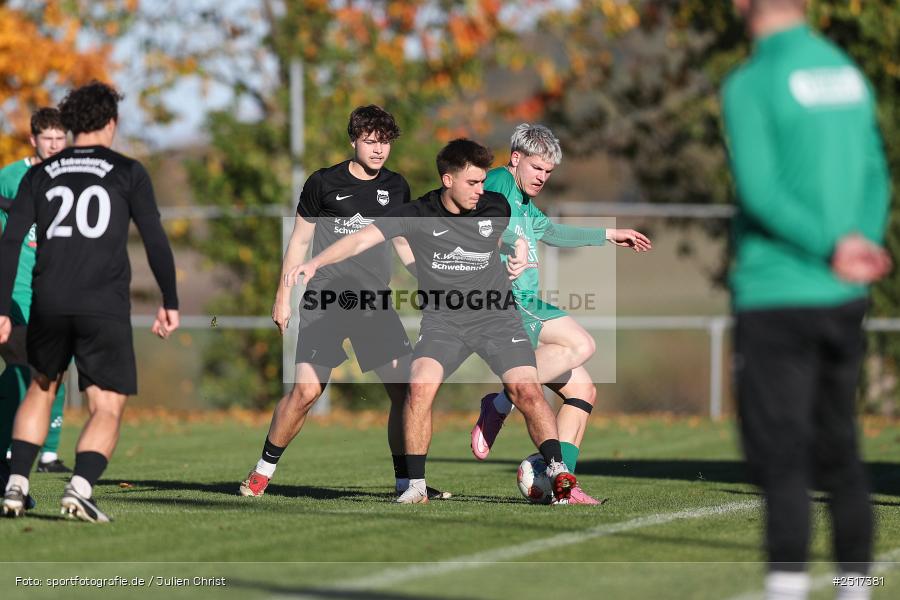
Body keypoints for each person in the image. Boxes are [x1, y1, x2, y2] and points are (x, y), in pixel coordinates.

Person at [286, 139, 578, 504]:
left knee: (527, 390)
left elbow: (502, 237)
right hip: (445, 322)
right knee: (419, 386)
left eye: (483, 182)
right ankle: (416, 487)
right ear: (447, 180)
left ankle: (558, 471)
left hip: (496, 318)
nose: (481, 190)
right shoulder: (417, 212)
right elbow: (361, 239)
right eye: (472, 183)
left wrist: (515, 248)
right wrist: (315, 263)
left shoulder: (494, 205)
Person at [724, 1, 891, 597]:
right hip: (844, 295)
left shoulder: (750, 82)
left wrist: (830, 245)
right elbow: (876, 170)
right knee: (841, 448)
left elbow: (761, 189)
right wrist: (861, 245)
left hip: (777, 291)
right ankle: (855, 587)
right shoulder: (845, 70)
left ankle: (787, 588)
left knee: (783, 457)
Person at [238, 106, 448, 501]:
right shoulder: (323, 183)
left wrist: (434, 279)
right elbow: (299, 241)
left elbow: (403, 243)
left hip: (374, 303)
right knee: (306, 392)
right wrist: (282, 296)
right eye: (370, 141)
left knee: (403, 391)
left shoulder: (397, 187)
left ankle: (408, 483)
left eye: (384, 142)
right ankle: (262, 472)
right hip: (326, 300)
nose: (378, 149)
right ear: (353, 140)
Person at [0, 81, 180, 523]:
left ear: (71, 124)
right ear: (111, 123)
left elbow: (9, 241)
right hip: (103, 303)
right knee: (107, 403)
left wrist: (2, 307)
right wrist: (169, 298)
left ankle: (16, 485)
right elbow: (154, 239)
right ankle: (80, 488)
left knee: (42, 387)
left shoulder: (39, 172)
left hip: (48, 299)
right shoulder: (127, 171)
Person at [469, 123, 651, 504]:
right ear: (516, 159)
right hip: (507, 303)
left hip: (528, 303)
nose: (542, 177)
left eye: (548, 172)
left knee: (583, 389)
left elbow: (551, 231)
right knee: (581, 343)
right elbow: (475, 221)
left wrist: (607, 235)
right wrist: (507, 241)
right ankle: (502, 402)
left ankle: (562, 485)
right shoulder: (500, 182)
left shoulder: (524, 203)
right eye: (537, 168)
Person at [0, 108, 71, 478]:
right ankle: (10, 447)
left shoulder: (71, 177)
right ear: (33, 140)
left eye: (61, 139)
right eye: (49, 139)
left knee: (54, 370)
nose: (56, 146)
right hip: (16, 293)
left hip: (56, 293)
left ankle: (47, 453)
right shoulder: (11, 177)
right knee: (23, 369)